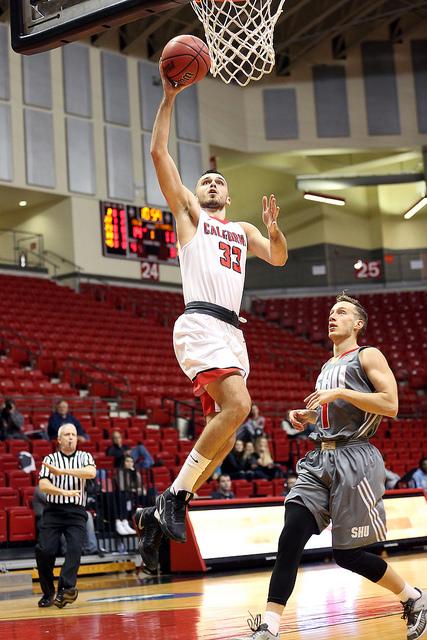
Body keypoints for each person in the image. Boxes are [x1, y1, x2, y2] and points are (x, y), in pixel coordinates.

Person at [134, 62, 287, 573]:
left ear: (229, 195)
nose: (212, 184)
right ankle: (174, 499)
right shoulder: (190, 218)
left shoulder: (242, 230)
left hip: (232, 330)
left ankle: (163, 509)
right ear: (197, 194)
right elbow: (159, 153)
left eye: (218, 181)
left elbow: (280, 259)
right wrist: (169, 97)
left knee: (228, 432)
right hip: (200, 320)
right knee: (239, 405)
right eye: (205, 180)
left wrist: (274, 230)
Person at [233, 293, 427, 640]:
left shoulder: (368, 355)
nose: (332, 317)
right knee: (291, 534)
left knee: (348, 555)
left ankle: (413, 597)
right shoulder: (326, 367)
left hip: (355, 459)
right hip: (320, 457)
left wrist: (340, 394)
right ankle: (270, 627)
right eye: (331, 312)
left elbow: (391, 404)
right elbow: (333, 410)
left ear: (358, 324)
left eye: (341, 312)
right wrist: (307, 416)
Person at [35, 423, 96, 609]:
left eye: (74, 434)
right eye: (67, 434)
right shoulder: (50, 458)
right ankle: (48, 592)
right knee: (45, 551)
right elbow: (43, 485)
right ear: (59, 439)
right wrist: (63, 492)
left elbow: (91, 473)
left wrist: (62, 472)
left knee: (75, 548)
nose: (71, 437)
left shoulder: (85, 456)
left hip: (76, 512)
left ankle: (65, 589)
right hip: (53, 510)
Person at [113, 454, 140, 535]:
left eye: (131, 462)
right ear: (123, 462)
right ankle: (120, 522)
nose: (129, 463)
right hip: (121, 494)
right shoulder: (120, 472)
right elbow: (122, 487)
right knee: (123, 494)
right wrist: (133, 488)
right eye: (127, 461)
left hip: (131, 495)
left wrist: (134, 474)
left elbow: (139, 485)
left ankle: (126, 523)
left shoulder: (134, 472)